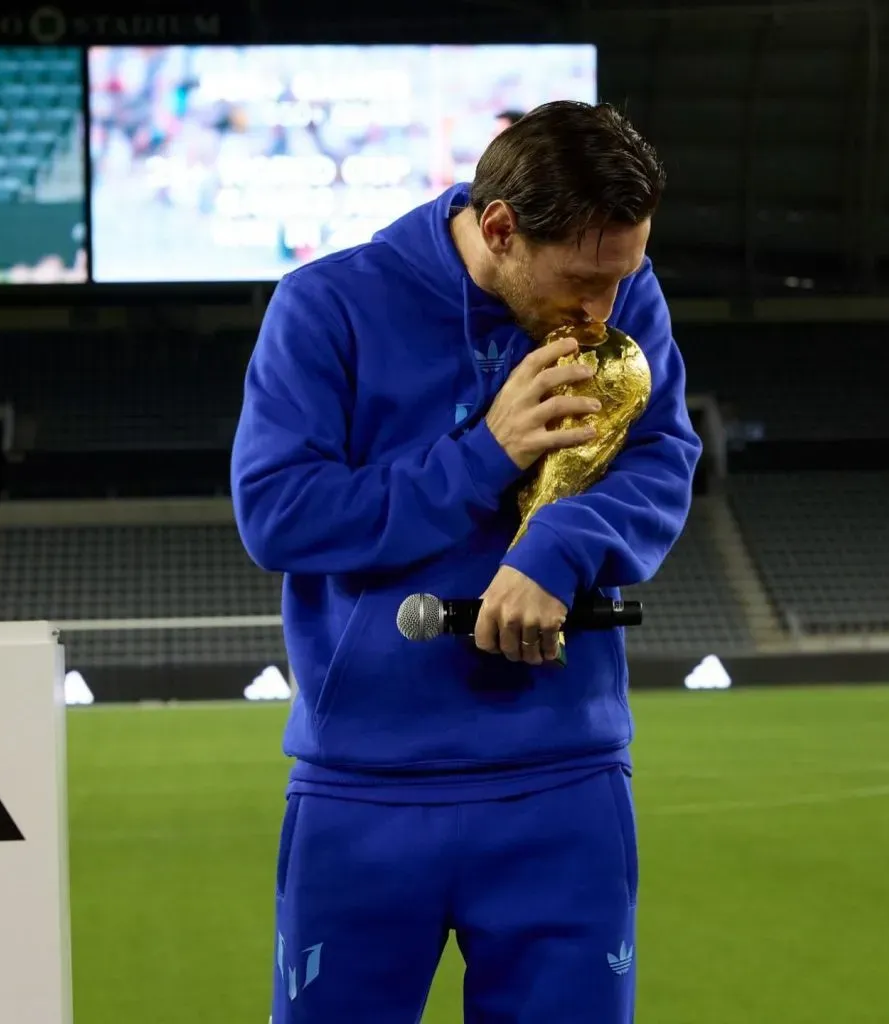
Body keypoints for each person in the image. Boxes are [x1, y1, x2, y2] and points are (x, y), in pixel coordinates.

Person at [231, 99, 702, 1024]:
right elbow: (279, 512)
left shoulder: (621, 289)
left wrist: (556, 554)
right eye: (583, 282)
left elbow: (661, 458)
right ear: (499, 227)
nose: (606, 313)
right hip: (366, 785)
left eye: (625, 277)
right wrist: (484, 455)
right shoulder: (327, 306)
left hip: (564, 777)